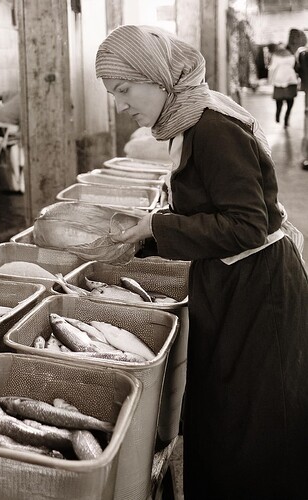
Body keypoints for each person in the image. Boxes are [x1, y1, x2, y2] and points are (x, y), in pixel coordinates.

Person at [95, 25, 308, 499]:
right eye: (113, 93)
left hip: (258, 286)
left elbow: (246, 225)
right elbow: (214, 212)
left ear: (156, 77)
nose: (120, 104)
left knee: (252, 419)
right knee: (225, 407)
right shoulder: (192, 117)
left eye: (125, 89)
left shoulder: (212, 127)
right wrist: (148, 230)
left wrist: (158, 228)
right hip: (231, 277)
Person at [268, 42, 298, 127]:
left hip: (279, 79)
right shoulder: (291, 56)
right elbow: (293, 66)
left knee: (279, 100)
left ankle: (278, 115)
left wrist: (270, 78)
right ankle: (286, 118)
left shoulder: (275, 56)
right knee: (290, 101)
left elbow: (272, 68)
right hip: (290, 79)